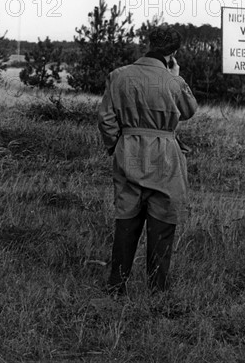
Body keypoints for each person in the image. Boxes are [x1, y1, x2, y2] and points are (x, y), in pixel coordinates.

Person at [98, 24, 197, 294]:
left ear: (149, 43)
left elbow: (105, 118)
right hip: (166, 156)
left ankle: (116, 287)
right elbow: (189, 111)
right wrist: (176, 77)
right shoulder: (172, 81)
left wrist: (116, 146)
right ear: (173, 52)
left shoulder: (118, 75)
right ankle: (157, 291)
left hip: (128, 150)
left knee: (126, 222)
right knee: (163, 225)